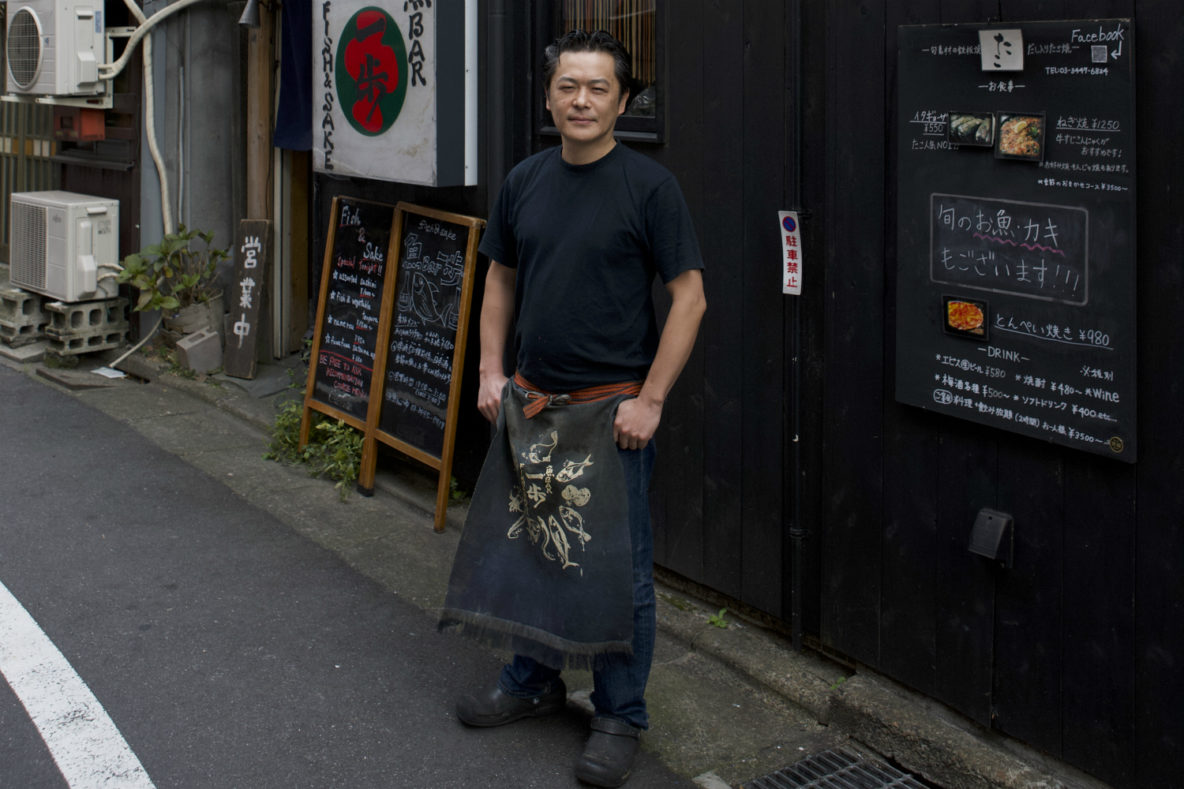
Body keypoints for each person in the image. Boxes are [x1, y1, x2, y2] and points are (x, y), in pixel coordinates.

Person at [439, 29, 705, 788]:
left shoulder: (649, 188)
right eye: (568, 86)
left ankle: (621, 712)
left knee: (621, 571)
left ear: (622, 100)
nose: (580, 100)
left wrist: (650, 399)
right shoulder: (524, 179)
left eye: (597, 88)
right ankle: (531, 679)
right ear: (550, 94)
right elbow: (499, 280)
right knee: (532, 546)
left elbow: (690, 299)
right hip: (531, 400)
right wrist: (491, 372)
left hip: (611, 408)